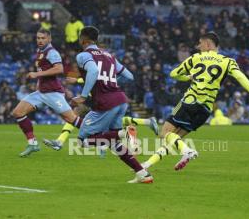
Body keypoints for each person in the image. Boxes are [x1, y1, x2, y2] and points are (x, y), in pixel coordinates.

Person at [142, 32, 249, 171]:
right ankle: (147, 165)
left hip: (190, 101)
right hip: (205, 110)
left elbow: (174, 74)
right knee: (175, 139)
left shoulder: (196, 58)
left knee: (165, 134)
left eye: (200, 43)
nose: (198, 46)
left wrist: (188, 77)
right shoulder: (228, 61)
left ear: (208, 44)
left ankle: (187, 152)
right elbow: (241, 77)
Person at [69, 26, 153, 183]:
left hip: (104, 102)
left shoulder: (83, 55)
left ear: (83, 39)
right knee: (114, 143)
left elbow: (93, 71)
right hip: (120, 99)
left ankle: (124, 133)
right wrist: (111, 85)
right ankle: (143, 174)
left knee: (82, 139)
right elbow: (129, 76)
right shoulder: (109, 56)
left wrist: (83, 96)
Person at [11, 28, 84, 157]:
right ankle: (33, 144)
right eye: (38, 38)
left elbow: (59, 69)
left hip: (53, 93)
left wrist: (37, 74)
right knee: (18, 112)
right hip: (41, 93)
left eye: (43, 38)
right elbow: (45, 70)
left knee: (71, 119)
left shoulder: (52, 52)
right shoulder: (40, 51)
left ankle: (100, 134)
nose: (40, 40)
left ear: (49, 39)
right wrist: (39, 81)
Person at [43, 75, 158, 151]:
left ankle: (60, 141)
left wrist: (76, 81)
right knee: (78, 114)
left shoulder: (97, 66)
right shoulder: (105, 65)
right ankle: (147, 122)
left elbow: (93, 78)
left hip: (102, 100)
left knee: (76, 115)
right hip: (109, 99)